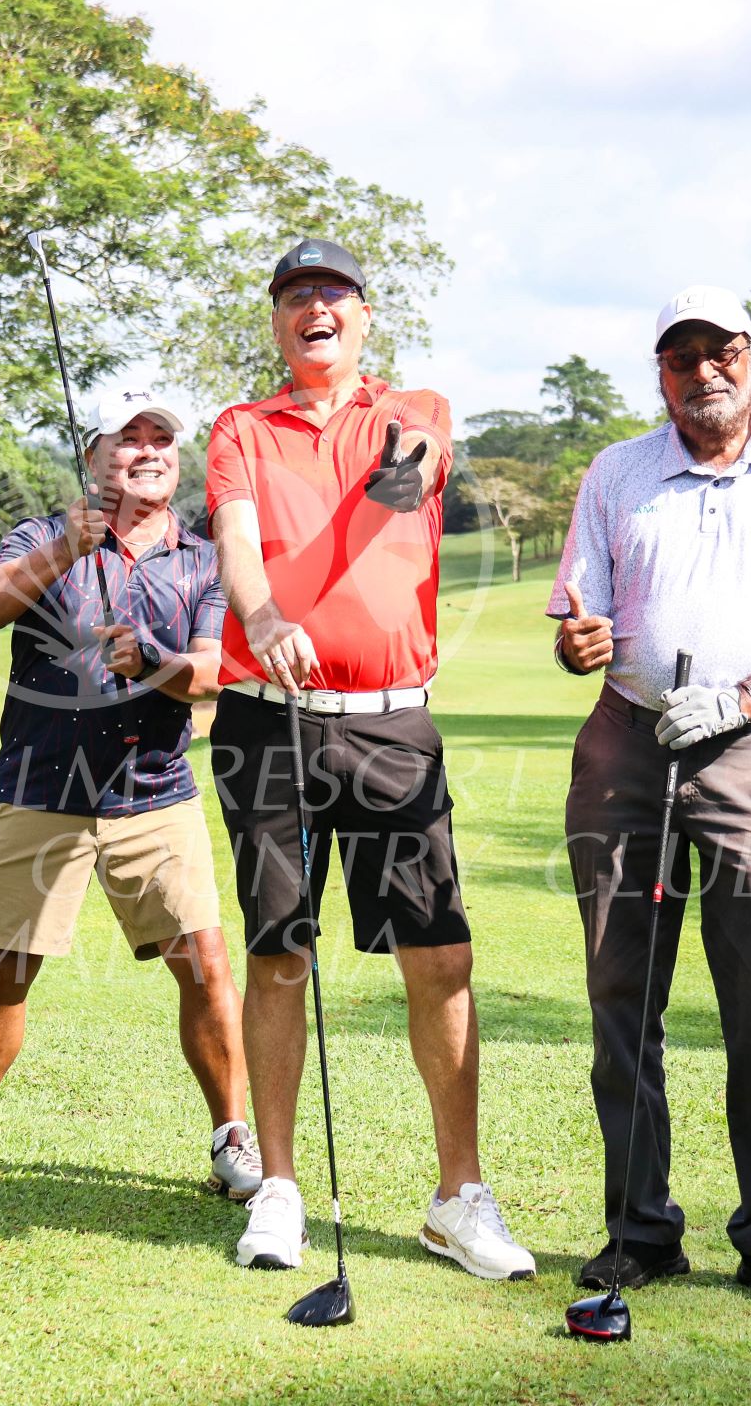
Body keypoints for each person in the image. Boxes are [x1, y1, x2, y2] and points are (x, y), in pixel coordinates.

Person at [206, 238, 536, 1281]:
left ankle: (459, 1198)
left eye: (334, 296)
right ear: (276, 322)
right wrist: (263, 616)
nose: (316, 310)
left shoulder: (415, 409)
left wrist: (395, 477)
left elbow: (415, 475)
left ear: (363, 318)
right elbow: (238, 539)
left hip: (391, 724)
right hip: (270, 718)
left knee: (438, 955)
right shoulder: (240, 431)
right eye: (297, 297)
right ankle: (280, 1190)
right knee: (277, 953)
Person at [549, 285, 751, 1309]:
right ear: (660, 373)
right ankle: (641, 1231)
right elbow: (577, 620)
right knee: (623, 998)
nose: (704, 373)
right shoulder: (618, 472)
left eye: (721, 351)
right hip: (626, 747)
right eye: (681, 357)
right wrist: (579, 643)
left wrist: (739, 696)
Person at [0, 388, 261, 1203]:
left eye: (161, 439)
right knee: (6, 968)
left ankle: (231, 1137)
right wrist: (67, 549)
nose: (148, 452)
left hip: (154, 794)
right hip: (39, 788)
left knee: (206, 967)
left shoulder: (205, 557)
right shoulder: (44, 535)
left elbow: (210, 675)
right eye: (128, 439)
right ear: (96, 457)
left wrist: (154, 664)